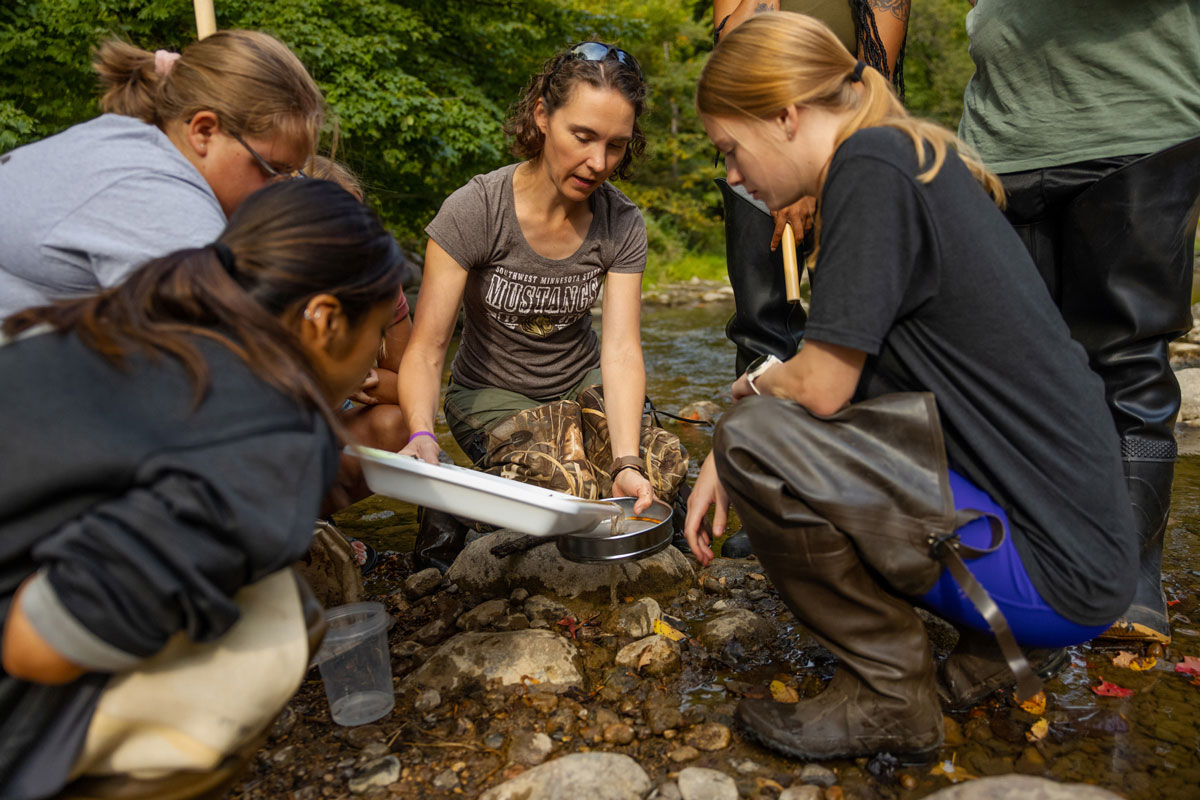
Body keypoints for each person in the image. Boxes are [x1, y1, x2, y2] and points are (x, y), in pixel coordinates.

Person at [685, 12, 1135, 761]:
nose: (732, 174)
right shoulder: (903, 159)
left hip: (1054, 579)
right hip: (1086, 558)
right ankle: (993, 649)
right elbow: (848, 383)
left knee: (752, 438)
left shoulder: (869, 169)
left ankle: (890, 694)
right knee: (761, 430)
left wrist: (734, 432)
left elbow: (822, 391)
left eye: (731, 149)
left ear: (785, 115)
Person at [0, 179, 405, 800]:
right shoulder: (275, 435)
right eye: (376, 333)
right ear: (323, 320)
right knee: (281, 620)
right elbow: (35, 648)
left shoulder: (141, 310)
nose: (377, 358)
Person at [957, 0, 1200, 646]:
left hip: (1135, 121)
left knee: (1128, 363)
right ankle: (1027, 576)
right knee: (1002, 377)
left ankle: (1128, 585)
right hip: (999, 135)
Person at [397, 42, 686, 571]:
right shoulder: (475, 209)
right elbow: (427, 347)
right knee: (564, 480)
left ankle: (538, 481)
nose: (598, 163)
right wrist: (420, 435)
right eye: (583, 136)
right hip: (491, 394)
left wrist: (625, 462)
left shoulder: (622, 222)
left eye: (616, 145)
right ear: (542, 116)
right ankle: (455, 510)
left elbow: (621, 350)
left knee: (662, 464)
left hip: (579, 388)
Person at [710, 0, 911, 559]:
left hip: (849, 136)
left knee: (852, 324)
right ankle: (767, 496)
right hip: (753, 135)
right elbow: (737, 49)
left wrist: (807, 172)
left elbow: (875, 69)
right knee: (761, 323)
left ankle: (850, 493)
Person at [0, 29, 324, 319]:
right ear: (204, 132)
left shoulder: (124, 145)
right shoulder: (159, 195)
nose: (277, 192)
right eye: (271, 169)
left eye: (291, 175)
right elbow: (214, 354)